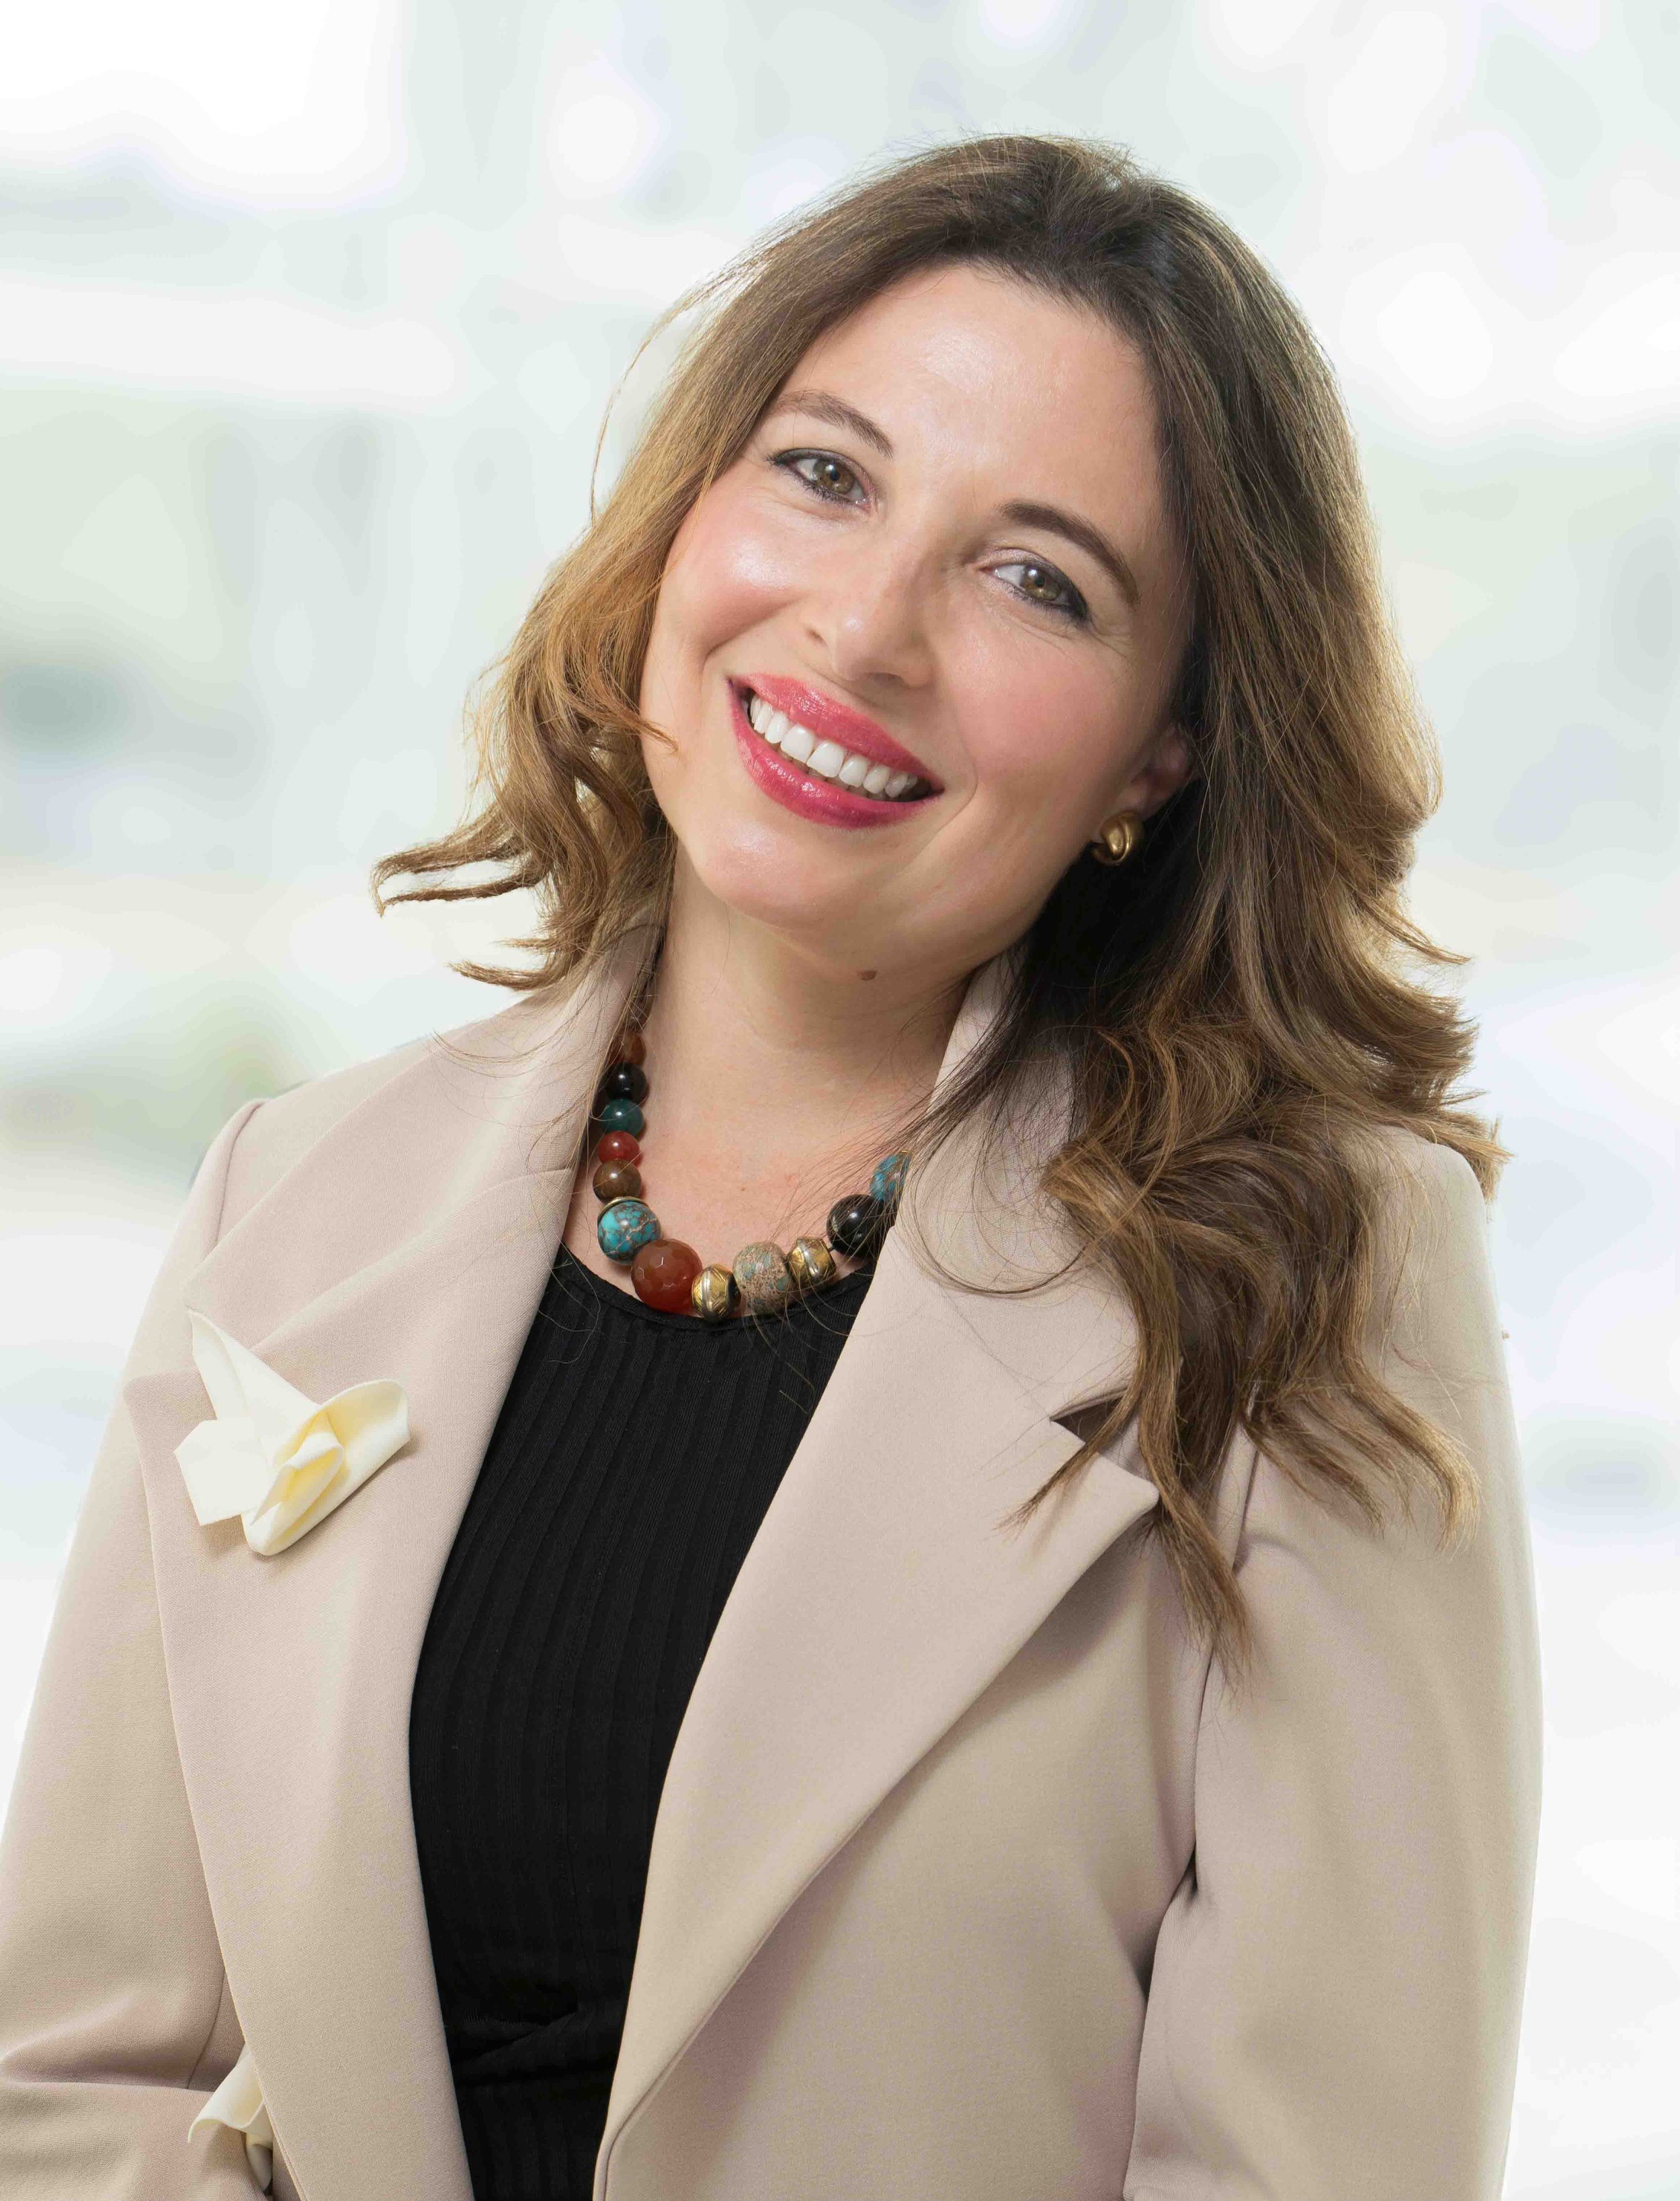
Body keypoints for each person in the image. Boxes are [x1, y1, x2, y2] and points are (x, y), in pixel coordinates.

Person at [0, 134, 1542, 2201]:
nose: (865, 626)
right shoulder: (290, 1199)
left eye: (1034, 578)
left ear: (1156, 755)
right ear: (689, 511)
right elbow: (74, 2077)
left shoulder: (1309, 1268)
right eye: (823, 473)